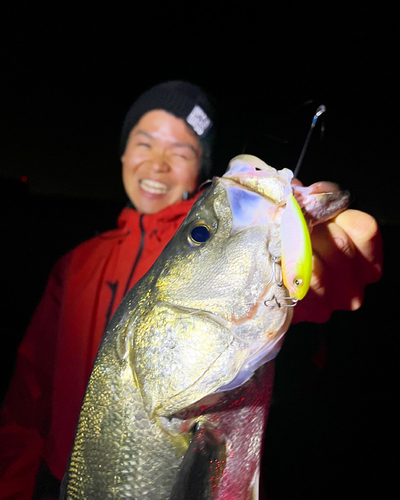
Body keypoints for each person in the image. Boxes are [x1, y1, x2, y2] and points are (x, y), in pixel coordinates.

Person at [0, 81, 382, 499]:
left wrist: (301, 313)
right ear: (124, 154)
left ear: (201, 167)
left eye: (180, 152)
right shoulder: (74, 264)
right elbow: (28, 397)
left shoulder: (231, 238)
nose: (158, 164)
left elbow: (290, 384)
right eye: (144, 144)